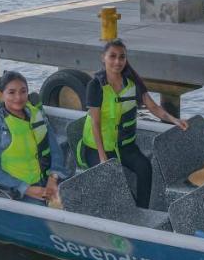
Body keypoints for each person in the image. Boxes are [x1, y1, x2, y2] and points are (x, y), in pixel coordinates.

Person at [79, 39, 187, 207]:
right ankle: (126, 211)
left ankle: (142, 210)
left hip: (125, 146)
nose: (117, 61)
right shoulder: (95, 86)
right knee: (114, 180)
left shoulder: (132, 84)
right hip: (98, 147)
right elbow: (95, 123)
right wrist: (102, 158)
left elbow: (153, 107)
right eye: (112, 56)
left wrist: (175, 120)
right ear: (103, 58)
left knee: (145, 168)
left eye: (122, 57)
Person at [0, 71, 68, 204]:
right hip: (14, 190)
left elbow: (55, 150)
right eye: (11, 92)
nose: (18, 97)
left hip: (46, 182)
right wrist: (27, 189)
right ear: (1, 95)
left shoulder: (37, 115)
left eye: (23, 91)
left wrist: (53, 178)